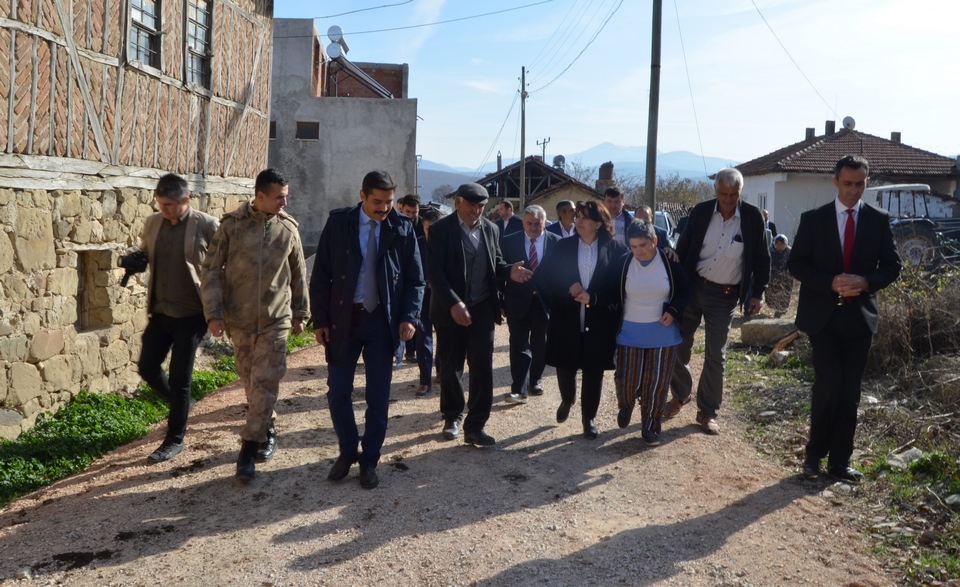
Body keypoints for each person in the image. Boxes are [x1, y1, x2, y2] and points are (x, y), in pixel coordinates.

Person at [788, 155, 901, 483]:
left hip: (859, 319)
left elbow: (892, 267)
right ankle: (813, 458)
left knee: (850, 392)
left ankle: (840, 461)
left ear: (868, 182)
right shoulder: (814, 220)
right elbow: (797, 264)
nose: (854, 190)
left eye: (860, 184)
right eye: (848, 183)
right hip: (822, 318)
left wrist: (866, 281)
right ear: (835, 182)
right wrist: (830, 282)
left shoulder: (878, 220)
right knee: (827, 386)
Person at [311, 170, 424, 490]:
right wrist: (319, 320)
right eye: (377, 202)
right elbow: (320, 277)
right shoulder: (339, 224)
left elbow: (416, 280)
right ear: (362, 196)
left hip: (382, 323)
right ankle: (348, 451)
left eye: (389, 202)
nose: (384, 208)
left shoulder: (402, 228)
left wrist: (410, 317)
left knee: (378, 396)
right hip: (343, 320)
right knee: (338, 392)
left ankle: (369, 460)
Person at [201, 168, 310, 482]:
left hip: (276, 321)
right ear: (260, 196)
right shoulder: (231, 227)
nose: (284, 203)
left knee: (265, 382)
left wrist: (301, 313)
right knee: (252, 383)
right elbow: (210, 271)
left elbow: (299, 273)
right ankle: (268, 425)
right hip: (240, 321)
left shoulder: (288, 229)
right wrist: (214, 312)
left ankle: (247, 449)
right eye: (279, 197)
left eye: (286, 197)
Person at [665, 168, 770, 435]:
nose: (728, 200)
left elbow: (762, 258)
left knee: (716, 353)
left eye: (734, 195)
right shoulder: (701, 212)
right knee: (677, 343)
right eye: (723, 194)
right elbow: (684, 248)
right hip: (692, 287)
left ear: (740, 193)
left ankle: (708, 411)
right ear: (716, 191)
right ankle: (680, 395)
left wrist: (758, 293)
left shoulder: (752, 218)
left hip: (724, 296)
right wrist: (674, 286)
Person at [428, 183, 533, 446]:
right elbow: (435, 273)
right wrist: (453, 303)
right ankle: (452, 415)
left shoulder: (491, 229)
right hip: (450, 310)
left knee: (482, 369)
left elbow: (495, 262)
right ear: (458, 203)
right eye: (472, 206)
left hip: (482, 308)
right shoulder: (441, 230)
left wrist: (510, 272)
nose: (476, 211)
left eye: (481, 207)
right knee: (451, 368)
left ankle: (475, 425)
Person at [137, 174, 219, 462]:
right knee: (147, 368)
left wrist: (217, 312)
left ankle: (174, 440)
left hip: (192, 315)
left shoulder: (207, 225)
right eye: (160, 204)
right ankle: (180, 404)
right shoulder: (153, 223)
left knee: (181, 378)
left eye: (170, 205)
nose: (164, 210)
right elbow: (147, 253)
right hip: (160, 312)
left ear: (186, 200)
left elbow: (223, 266)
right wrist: (136, 259)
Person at [540, 200, 628, 439]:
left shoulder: (617, 250)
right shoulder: (562, 247)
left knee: (594, 370)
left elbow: (619, 288)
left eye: (585, 217)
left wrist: (595, 298)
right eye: (577, 216)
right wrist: (568, 286)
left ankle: (588, 417)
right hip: (566, 318)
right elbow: (546, 276)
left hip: (599, 320)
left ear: (599, 223)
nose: (578, 220)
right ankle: (567, 400)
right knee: (565, 366)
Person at [615, 220, 691, 446]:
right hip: (629, 332)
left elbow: (685, 289)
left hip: (662, 333)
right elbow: (608, 289)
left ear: (655, 241)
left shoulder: (669, 261)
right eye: (634, 246)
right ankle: (626, 403)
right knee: (627, 380)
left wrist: (674, 310)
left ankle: (651, 426)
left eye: (643, 245)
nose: (639, 251)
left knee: (656, 382)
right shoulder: (624, 263)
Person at [500, 205, 561, 405]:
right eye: (529, 223)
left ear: (545, 223)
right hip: (517, 300)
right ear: (523, 222)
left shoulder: (557, 243)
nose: (533, 227)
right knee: (518, 343)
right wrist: (500, 301)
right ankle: (519, 387)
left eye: (538, 224)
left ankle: (535, 379)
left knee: (540, 343)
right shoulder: (509, 241)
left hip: (544, 302)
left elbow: (563, 276)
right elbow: (501, 272)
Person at [414, 206, 443, 396]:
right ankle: (425, 380)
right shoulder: (415, 244)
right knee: (422, 337)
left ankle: (441, 371)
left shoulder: (449, 244)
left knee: (445, 336)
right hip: (422, 297)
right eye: (427, 229)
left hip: (442, 296)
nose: (430, 233)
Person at [397, 194, 423, 363]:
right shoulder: (396, 224)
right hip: (400, 277)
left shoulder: (423, 226)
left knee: (414, 317)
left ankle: (412, 352)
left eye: (414, 212)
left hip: (418, 277)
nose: (411, 216)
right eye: (408, 212)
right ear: (401, 208)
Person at [767, 234, 794, 318]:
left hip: (785, 279)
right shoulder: (771, 251)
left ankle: (779, 312)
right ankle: (776, 308)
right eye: (777, 244)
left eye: (781, 244)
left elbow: (792, 265)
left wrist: (787, 275)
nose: (779, 246)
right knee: (771, 296)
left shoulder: (789, 252)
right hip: (772, 277)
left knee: (782, 296)